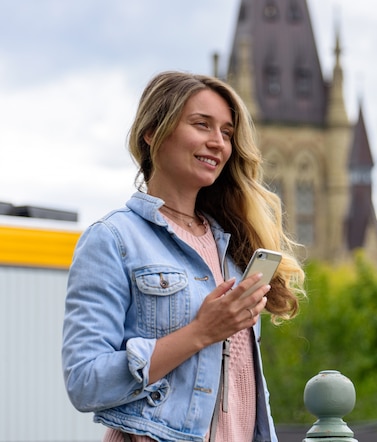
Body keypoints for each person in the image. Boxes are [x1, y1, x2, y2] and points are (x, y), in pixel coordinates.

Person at [62, 71, 305, 442]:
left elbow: (242, 387)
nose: (218, 143)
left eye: (226, 132)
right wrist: (201, 332)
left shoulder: (235, 249)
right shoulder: (112, 239)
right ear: (152, 132)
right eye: (201, 125)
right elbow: (84, 382)